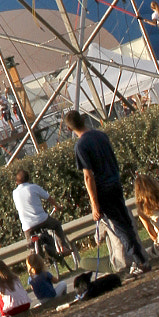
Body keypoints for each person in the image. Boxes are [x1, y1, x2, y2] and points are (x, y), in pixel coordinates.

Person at [64, 110, 147, 276]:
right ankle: (141, 257)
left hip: (103, 188)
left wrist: (94, 204)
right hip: (115, 182)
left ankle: (139, 261)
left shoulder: (81, 146)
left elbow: (88, 176)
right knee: (125, 221)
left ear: (69, 129)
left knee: (120, 227)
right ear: (83, 120)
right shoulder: (101, 136)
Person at [10, 167, 74, 262]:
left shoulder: (14, 193)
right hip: (42, 220)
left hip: (27, 226)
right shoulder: (34, 187)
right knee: (56, 225)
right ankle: (63, 247)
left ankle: (35, 262)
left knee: (31, 245)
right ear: (28, 179)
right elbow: (49, 198)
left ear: (16, 182)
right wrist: (57, 206)